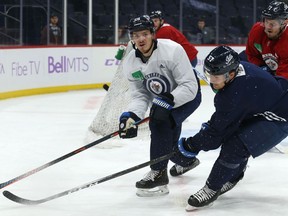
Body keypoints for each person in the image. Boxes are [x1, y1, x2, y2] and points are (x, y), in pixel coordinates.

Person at [176, 45, 288, 211]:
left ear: (231, 74)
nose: (212, 80)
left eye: (216, 76)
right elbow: (222, 128)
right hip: (267, 103)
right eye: (209, 74)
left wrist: (190, 145)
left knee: (235, 146)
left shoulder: (234, 93)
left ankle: (212, 188)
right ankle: (233, 175)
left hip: (280, 115)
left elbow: (215, 134)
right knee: (235, 137)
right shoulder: (237, 72)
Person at [118, 15, 202, 197]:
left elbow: (189, 86)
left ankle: (158, 173)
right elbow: (140, 94)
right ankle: (186, 160)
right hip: (163, 100)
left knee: (159, 124)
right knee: (166, 141)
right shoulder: (131, 62)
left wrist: (167, 101)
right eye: (135, 35)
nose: (140, 39)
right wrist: (132, 115)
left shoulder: (172, 51)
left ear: (153, 34)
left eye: (145, 34)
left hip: (187, 96)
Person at [244, 1, 288, 78]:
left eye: (272, 24)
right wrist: (260, 69)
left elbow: (284, 75)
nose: (268, 27)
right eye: (266, 22)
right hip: (266, 65)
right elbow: (251, 54)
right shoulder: (257, 31)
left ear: (284, 23)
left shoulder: (286, 41)